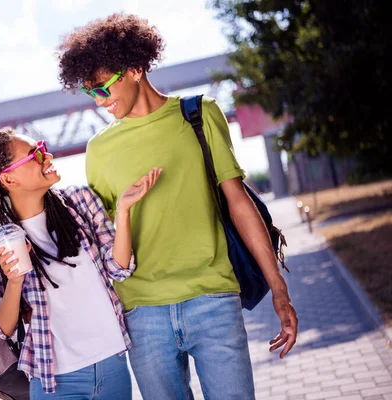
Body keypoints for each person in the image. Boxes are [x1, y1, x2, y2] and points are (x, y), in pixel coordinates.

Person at [56, 13, 298, 399]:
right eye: (91, 93)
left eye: (103, 88)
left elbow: (239, 204)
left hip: (213, 300)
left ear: (135, 69)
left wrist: (279, 288)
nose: (99, 101)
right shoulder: (99, 150)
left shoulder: (200, 115)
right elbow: (105, 245)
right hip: (142, 313)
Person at [0, 128, 161, 399]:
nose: (47, 155)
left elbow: (119, 268)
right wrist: (15, 280)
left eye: (42, 147)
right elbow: (2, 329)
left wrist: (123, 211)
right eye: (35, 154)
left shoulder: (80, 201)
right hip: (56, 382)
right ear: (8, 178)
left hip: (112, 363)